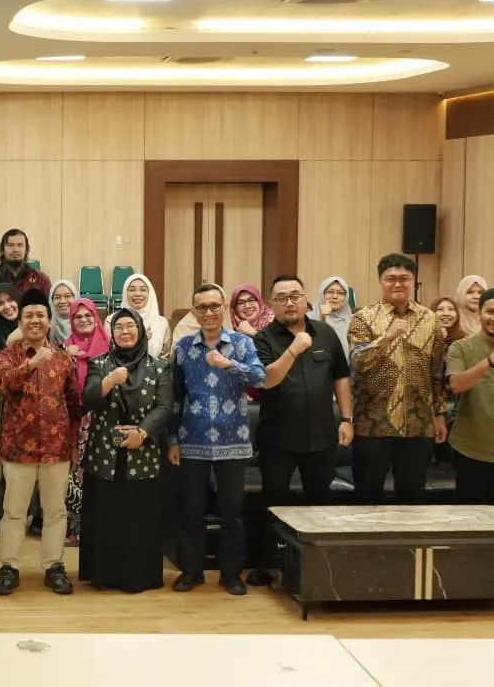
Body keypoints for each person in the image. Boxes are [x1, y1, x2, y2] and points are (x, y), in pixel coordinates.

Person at [247, 275, 353, 587]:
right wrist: (293, 350)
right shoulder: (263, 339)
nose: (290, 302)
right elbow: (267, 379)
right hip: (278, 439)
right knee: (274, 503)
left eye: (295, 296)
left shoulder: (325, 333)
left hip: (321, 436)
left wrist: (347, 418)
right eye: (282, 298)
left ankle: (320, 566)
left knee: (319, 501)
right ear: (272, 304)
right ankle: (269, 565)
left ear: (306, 299)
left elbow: (341, 377)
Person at [172, 283, 266, 596]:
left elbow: (260, 377)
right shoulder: (183, 347)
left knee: (232, 514)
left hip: (233, 441)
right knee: (191, 512)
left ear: (224, 308)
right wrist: (172, 439)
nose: (209, 312)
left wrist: (230, 364)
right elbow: (175, 396)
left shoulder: (241, 343)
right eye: (202, 307)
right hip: (192, 440)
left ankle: (231, 573)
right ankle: (191, 571)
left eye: (214, 306)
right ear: (194, 312)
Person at [0, 289, 81, 596]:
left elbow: (73, 404)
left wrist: (73, 443)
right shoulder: (8, 356)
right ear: (20, 321)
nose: (34, 320)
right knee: (14, 512)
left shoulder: (63, 358)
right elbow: (1, 384)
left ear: (49, 321)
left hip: (57, 449)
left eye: (40, 315)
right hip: (18, 449)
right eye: (28, 315)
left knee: (56, 512)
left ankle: (54, 566)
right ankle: (9, 567)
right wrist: (31, 364)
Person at [80, 309, 173, 592]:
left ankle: (138, 577)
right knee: (106, 515)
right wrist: (109, 381)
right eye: (119, 327)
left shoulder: (160, 366)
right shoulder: (99, 363)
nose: (125, 331)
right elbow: (89, 399)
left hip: (142, 452)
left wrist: (142, 433)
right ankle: (104, 576)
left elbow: (164, 406)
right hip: (105, 454)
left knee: (139, 517)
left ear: (141, 330)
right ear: (112, 333)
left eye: (130, 326)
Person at [348, 253, 447, 504]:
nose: (398, 284)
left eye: (404, 278)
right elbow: (357, 362)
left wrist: (439, 414)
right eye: (390, 278)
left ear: (413, 280)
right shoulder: (363, 317)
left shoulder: (430, 319)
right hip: (372, 423)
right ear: (380, 281)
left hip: (418, 423)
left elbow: (437, 371)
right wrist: (387, 338)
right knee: (367, 497)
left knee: (412, 499)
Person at [63, 299, 109, 547]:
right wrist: (65, 358)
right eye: (77, 317)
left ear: (96, 317)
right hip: (74, 420)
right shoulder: (64, 348)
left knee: (102, 474)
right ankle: (76, 530)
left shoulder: (110, 347)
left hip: (103, 419)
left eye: (88, 315)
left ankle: (103, 528)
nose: (83, 320)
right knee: (76, 476)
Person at [445, 289, 494, 502]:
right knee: (471, 515)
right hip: (471, 450)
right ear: (478, 313)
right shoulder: (461, 347)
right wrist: (488, 362)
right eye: (490, 312)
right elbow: (456, 385)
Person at [0, 228, 52, 297]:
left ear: (26, 249)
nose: (15, 249)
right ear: (2, 249)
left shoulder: (42, 280)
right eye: (10, 245)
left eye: (20, 245)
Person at [121, 273, 172, 359]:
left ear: (150, 293)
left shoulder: (162, 323)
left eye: (143, 290)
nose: (137, 294)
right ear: (125, 293)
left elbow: (165, 358)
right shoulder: (112, 321)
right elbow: (110, 355)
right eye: (132, 290)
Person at [309, 276, 354, 360]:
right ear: (322, 294)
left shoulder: (353, 321)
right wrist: (322, 318)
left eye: (340, 293)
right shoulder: (308, 318)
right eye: (330, 292)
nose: (335, 296)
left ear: (346, 297)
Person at [48, 280, 78, 346]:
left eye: (67, 296)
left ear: (75, 297)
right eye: (57, 297)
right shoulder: (47, 327)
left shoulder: (85, 323)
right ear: (51, 301)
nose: (63, 301)